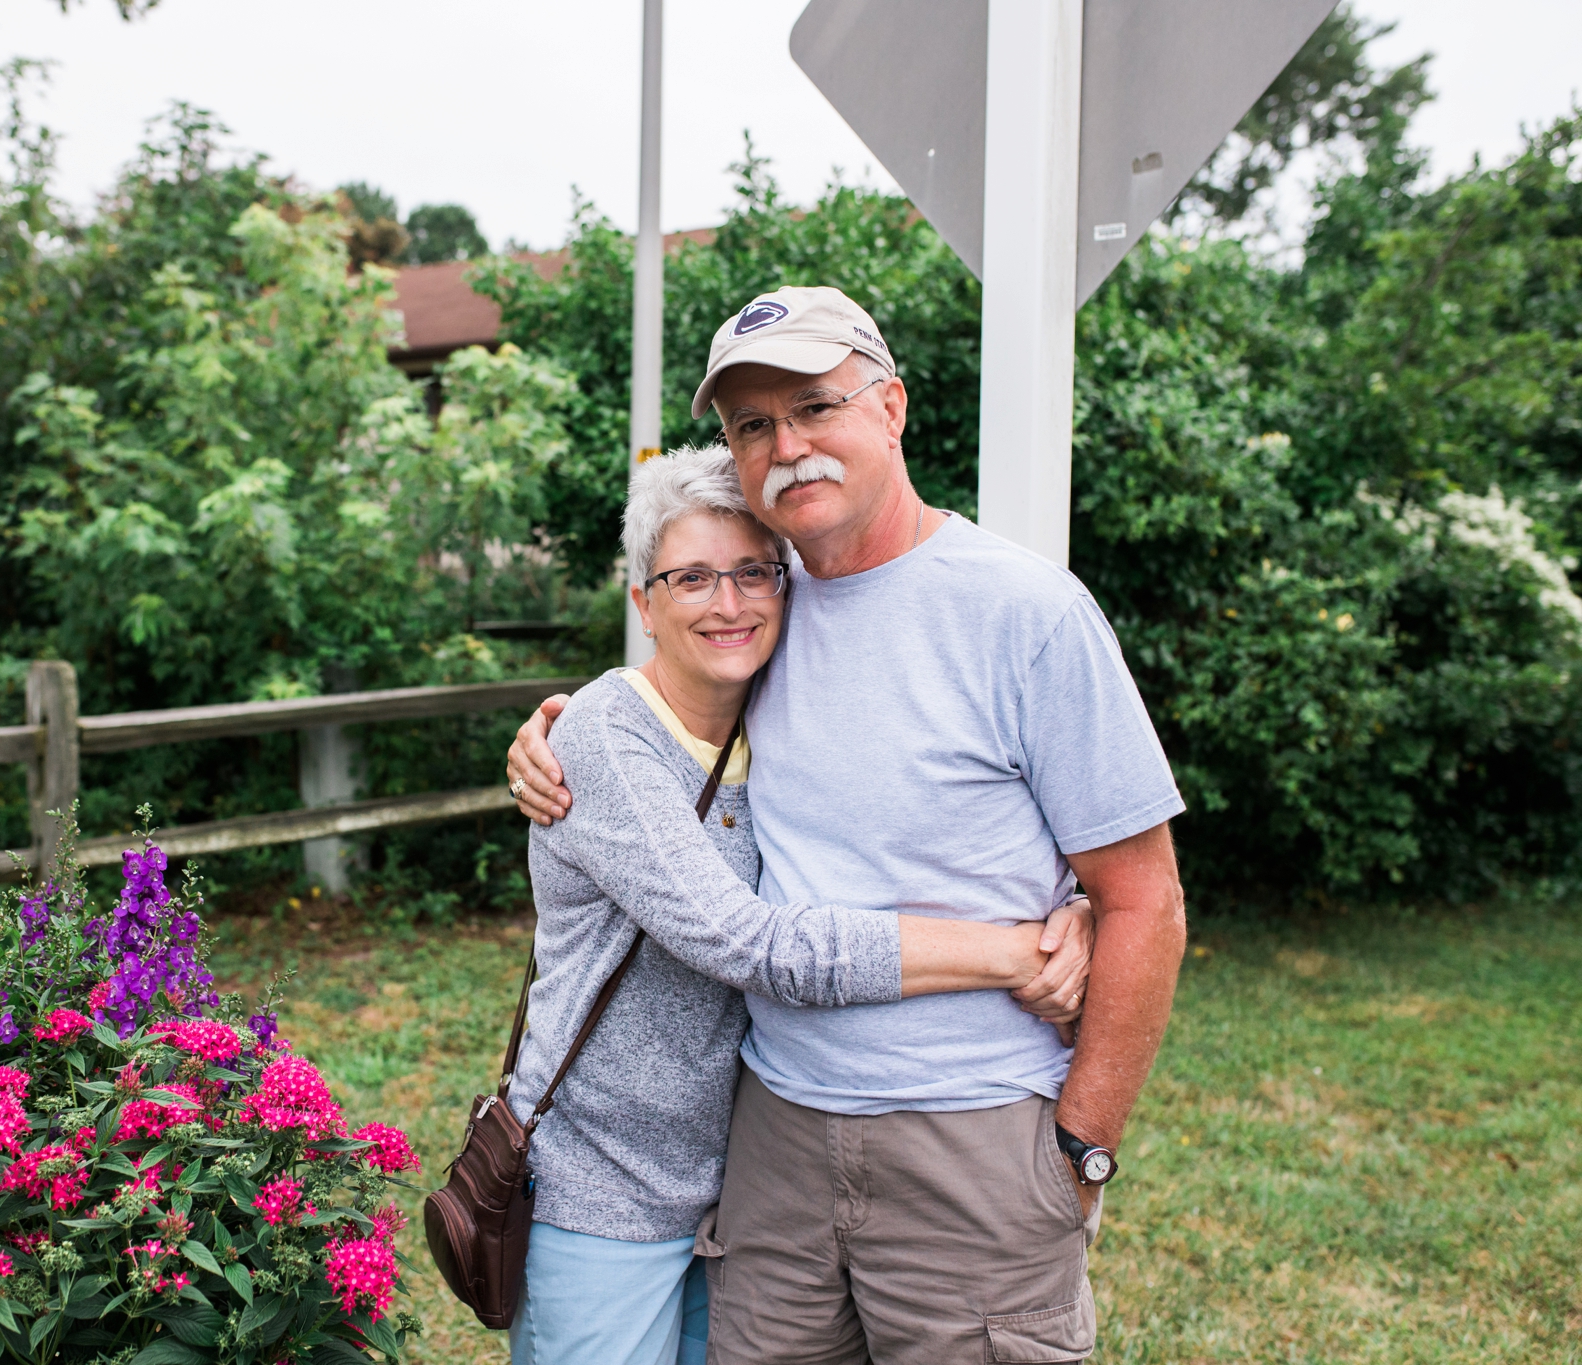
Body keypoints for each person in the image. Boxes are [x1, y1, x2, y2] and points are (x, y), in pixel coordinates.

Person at [507, 286, 1188, 1363]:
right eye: (752, 426)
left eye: (815, 406)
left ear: (891, 408)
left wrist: (1080, 1151)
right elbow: (661, 712)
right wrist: (555, 728)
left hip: (972, 1140)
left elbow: (1144, 898)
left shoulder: (1026, 614)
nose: (787, 446)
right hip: (772, 1138)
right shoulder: (764, 609)